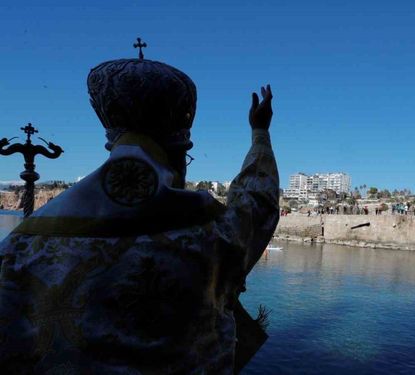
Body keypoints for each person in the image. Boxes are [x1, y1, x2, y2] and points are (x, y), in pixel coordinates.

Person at [0, 54, 278, 373]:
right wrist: (260, 132)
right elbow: (257, 205)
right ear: (176, 151)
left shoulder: (22, 246)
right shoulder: (210, 232)